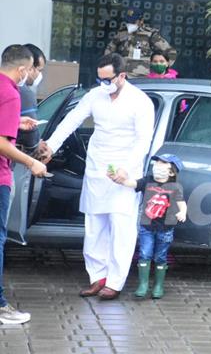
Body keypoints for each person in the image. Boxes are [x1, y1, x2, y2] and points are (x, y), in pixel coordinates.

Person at [39, 53, 154, 300]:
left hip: (125, 171)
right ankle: (97, 277)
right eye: (100, 79)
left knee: (121, 227)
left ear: (122, 75)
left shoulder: (140, 101)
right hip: (97, 167)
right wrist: (51, 146)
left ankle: (115, 282)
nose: (103, 84)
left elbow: (144, 140)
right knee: (94, 227)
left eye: (108, 79)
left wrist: (127, 168)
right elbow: (71, 121)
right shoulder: (95, 95)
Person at [0, 45, 47, 324]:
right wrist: (32, 163)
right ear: (21, 70)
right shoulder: (10, 92)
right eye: (31, 70)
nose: (30, 75)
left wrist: (15, 123)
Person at [108, 154, 186, 299]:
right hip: (146, 227)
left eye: (163, 163)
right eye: (157, 162)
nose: (157, 165)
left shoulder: (175, 187)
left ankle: (158, 285)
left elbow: (182, 203)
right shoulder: (147, 181)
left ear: (171, 171)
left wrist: (182, 212)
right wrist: (119, 180)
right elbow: (132, 183)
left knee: (160, 256)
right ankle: (143, 285)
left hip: (166, 228)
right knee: (144, 254)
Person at [104, 8, 176, 78]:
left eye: (133, 21)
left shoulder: (150, 34)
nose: (130, 24)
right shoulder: (122, 33)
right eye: (128, 21)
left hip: (142, 78)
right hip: (123, 76)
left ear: (141, 21)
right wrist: (111, 68)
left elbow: (171, 52)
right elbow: (109, 50)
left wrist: (163, 69)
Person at [16, 44, 46, 153]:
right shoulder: (25, 93)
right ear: (30, 67)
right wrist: (36, 145)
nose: (40, 74)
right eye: (39, 70)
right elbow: (30, 135)